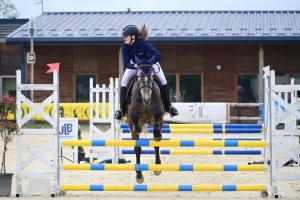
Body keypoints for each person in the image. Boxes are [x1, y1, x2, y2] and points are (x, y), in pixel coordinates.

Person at [114, 24, 179, 120]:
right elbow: (126, 63)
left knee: (163, 80)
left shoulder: (143, 43)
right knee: (124, 81)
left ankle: (169, 107)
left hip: (150, 63)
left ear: (133, 36)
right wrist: (134, 66)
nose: (124, 38)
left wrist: (148, 63)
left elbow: (158, 56)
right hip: (136, 65)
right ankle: (121, 109)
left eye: (126, 36)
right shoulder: (125, 47)